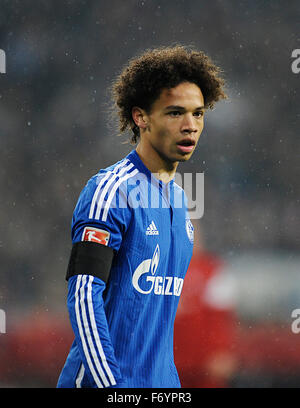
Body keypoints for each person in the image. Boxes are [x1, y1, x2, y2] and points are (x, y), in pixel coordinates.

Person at [57, 45, 227, 388]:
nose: (190, 126)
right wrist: (111, 386)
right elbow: (83, 295)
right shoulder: (110, 191)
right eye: (175, 112)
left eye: (198, 114)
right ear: (141, 117)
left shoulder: (181, 202)